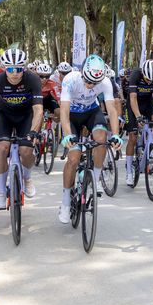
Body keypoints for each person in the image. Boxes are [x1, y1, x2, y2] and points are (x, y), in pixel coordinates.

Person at [58, 55, 123, 224]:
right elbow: (64, 111)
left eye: (94, 83)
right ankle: (65, 201)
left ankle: (95, 177)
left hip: (91, 113)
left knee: (101, 138)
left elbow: (112, 109)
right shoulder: (70, 79)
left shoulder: (106, 82)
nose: (90, 86)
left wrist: (115, 134)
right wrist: (67, 135)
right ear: (82, 73)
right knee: (73, 158)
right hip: (72, 116)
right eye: (88, 81)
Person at [0, 49, 43, 210]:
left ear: (24, 68)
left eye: (19, 69)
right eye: (11, 69)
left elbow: (38, 110)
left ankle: (27, 178)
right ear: (4, 68)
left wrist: (34, 131)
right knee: (1, 148)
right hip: (4, 116)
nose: (15, 73)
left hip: (26, 116)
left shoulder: (32, 79)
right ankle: (1, 193)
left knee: (26, 150)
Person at [125, 59, 153, 184]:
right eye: (147, 79)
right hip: (133, 104)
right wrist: (138, 116)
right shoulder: (136, 74)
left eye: (152, 80)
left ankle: (150, 144)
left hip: (148, 103)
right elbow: (132, 98)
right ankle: (129, 171)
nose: (150, 81)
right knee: (132, 137)